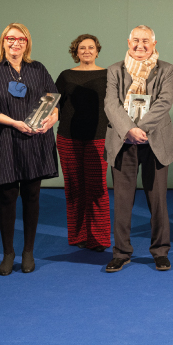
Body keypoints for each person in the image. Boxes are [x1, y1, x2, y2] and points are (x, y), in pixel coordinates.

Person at [0, 23, 59, 276]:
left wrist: (52, 118)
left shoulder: (38, 69)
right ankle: (8, 252)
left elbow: (53, 100)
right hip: (5, 142)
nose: (15, 43)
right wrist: (13, 122)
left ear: (27, 43)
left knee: (32, 196)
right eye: (10, 38)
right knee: (7, 197)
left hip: (35, 141)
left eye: (21, 39)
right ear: (3, 42)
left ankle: (28, 251)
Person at [103, 25, 173, 272]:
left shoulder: (166, 69)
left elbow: (165, 101)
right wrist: (129, 130)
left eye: (146, 41)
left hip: (156, 140)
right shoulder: (115, 69)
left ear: (154, 44)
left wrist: (141, 129)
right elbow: (110, 104)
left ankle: (160, 251)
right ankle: (121, 252)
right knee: (123, 201)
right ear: (128, 42)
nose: (140, 45)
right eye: (136, 40)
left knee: (158, 201)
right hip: (123, 141)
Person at [55, 34, 110, 252]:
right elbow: (53, 104)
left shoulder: (109, 75)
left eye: (91, 47)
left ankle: (99, 239)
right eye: (82, 48)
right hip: (68, 138)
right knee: (74, 188)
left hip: (100, 137)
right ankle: (78, 235)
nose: (86, 51)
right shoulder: (65, 76)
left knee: (97, 188)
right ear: (75, 51)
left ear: (97, 50)